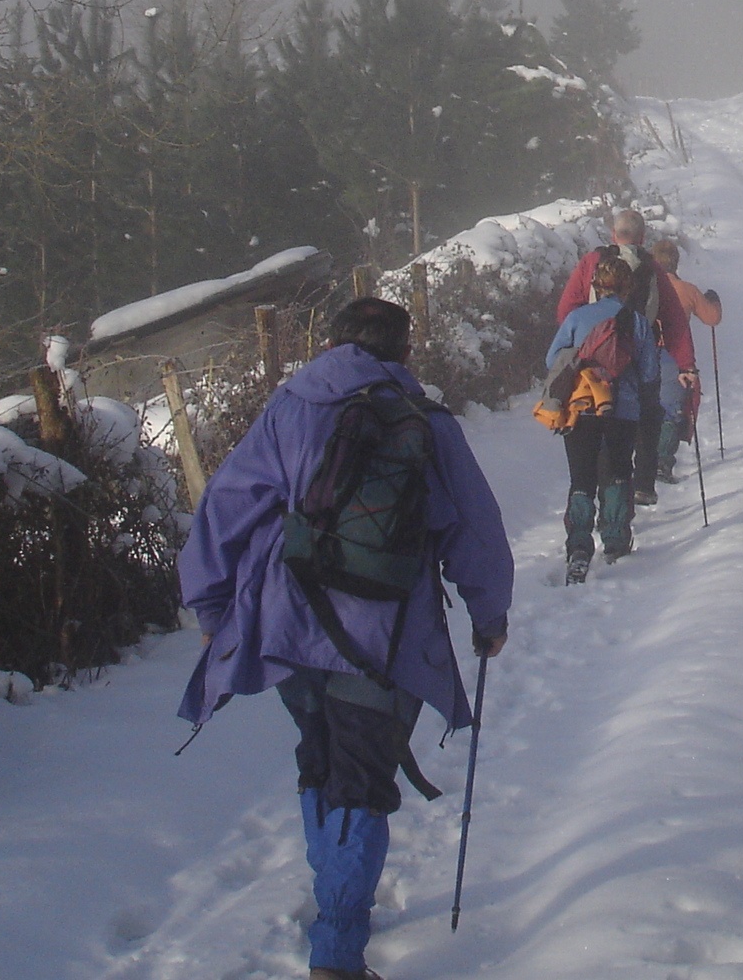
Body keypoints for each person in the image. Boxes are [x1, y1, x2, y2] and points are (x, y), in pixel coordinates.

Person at [178, 297, 512, 980]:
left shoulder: (291, 407)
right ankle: (336, 948)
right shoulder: (427, 422)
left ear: (330, 347)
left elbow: (227, 503)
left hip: (288, 621)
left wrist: (210, 602)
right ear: (405, 353)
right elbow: (474, 527)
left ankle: (337, 891)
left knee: (320, 761)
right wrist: (489, 617)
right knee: (362, 781)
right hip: (382, 635)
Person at [557, 210, 697, 504]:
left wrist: (581, 344)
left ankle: (599, 491)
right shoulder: (652, 268)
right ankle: (643, 484)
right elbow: (674, 319)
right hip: (638, 359)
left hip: (594, 368)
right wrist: (686, 365)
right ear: (642, 237)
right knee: (649, 416)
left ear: (613, 234)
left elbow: (566, 309)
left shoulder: (591, 262)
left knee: (598, 422)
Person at [543, 250, 661, 581]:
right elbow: (649, 372)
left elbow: (552, 360)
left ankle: (579, 548)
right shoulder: (636, 321)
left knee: (581, 478)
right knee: (619, 473)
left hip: (581, 408)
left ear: (596, 285)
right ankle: (615, 540)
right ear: (628, 286)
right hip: (623, 410)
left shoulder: (576, 318)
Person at [654, 241, 721, 470]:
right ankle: (662, 462)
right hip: (676, 356)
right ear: (676, 262)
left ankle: (644, 462)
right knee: (673, 409)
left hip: (645, 354)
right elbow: (712, 318)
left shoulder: (644, 287)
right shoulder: (686, 289)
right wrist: (714, 300)